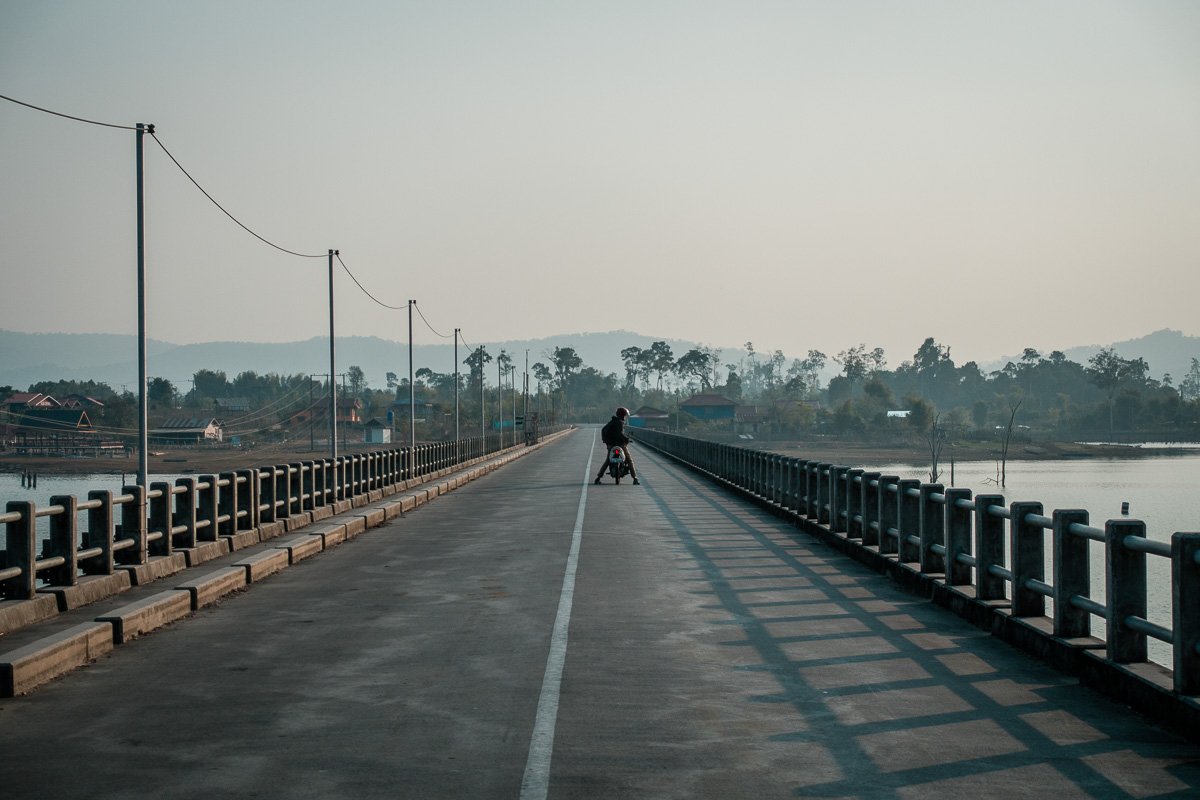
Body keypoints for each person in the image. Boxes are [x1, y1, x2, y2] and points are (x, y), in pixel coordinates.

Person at [595, 406, 639, 485]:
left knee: (608, 461)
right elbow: (620, 434)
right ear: (622, 415)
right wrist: (626, 439)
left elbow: (604, 430)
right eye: (625, 415)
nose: (625, 417)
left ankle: (598, 478)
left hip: (611, 445)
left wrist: (606, 442)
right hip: (620, 445)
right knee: (629, 460)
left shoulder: (612, 422)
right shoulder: (620, 422)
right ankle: (635, 478)